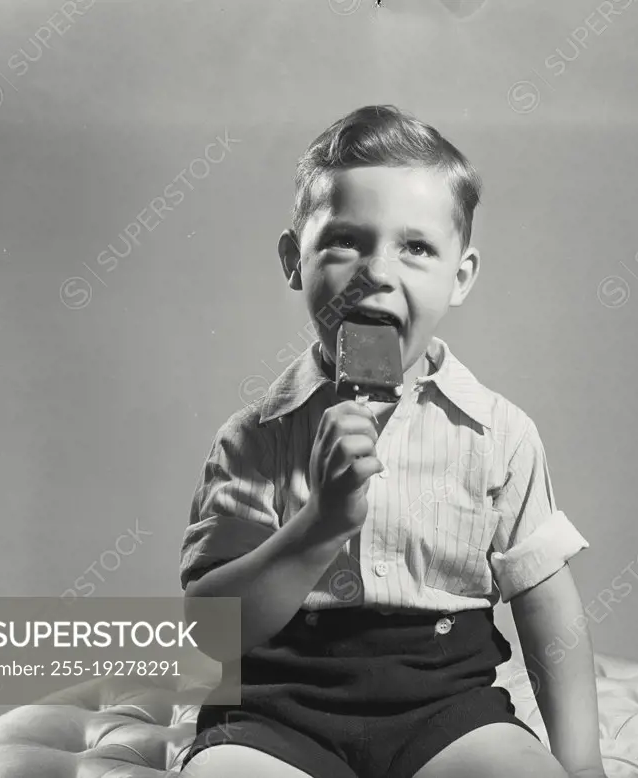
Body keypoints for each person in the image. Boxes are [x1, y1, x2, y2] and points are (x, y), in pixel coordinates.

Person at [179, 105, 606, 778]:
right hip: (274, 708)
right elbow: (211, 629)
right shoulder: (252, 441)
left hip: (447, 707)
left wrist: (582, 767)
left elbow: (547, 608)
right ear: (296, 261)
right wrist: (322, 523)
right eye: (346, 240)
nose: (377, 271)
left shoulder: (500, 435)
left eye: (415, 247)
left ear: (458, 277)